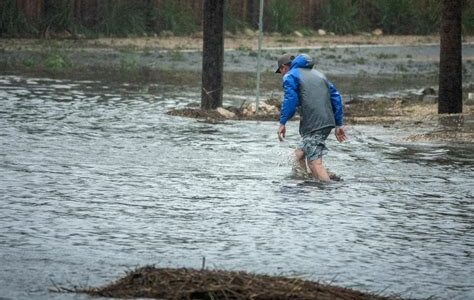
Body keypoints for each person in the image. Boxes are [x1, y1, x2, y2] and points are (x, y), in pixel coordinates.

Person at [276, 53, 347, 182]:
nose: (281, 74)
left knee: (314, 163)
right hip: (325, 122)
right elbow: (336, 97)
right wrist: (338, 124)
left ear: (283, 67)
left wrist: (282, 122)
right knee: (297, 157)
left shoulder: (290, 75)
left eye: (280, 71)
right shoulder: (319, 75)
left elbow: (290, 100)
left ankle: (328, 190)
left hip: (315, 124)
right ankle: (307, 182)